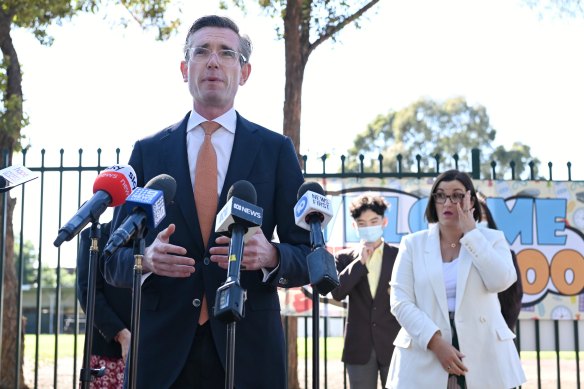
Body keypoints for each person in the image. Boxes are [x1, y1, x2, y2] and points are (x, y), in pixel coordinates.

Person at [103, 15, 310, 389]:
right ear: (185, 69)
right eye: (202, 51)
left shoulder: (275, 151)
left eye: (226, 53)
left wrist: (272, 256)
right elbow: (113, 261)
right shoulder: (148, 152)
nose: (213, 61)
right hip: (162, 354)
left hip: (248, 348)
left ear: (244, 72)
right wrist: (145, 259)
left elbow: (309, 255)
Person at [387, 169, 525, 389]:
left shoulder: (492, 239)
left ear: (471, 200)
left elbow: (501, 281)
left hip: (484, 355)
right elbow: (400, 301)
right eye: (440, 195)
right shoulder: (412, 244)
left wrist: (472, 234)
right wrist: (435, 342)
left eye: (457, 195)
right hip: (426, 352)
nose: (448, 202)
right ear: (434, 201)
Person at [331, 193, 400, 389]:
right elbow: (337, 292)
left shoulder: (399, 255)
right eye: (362, 223)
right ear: (355, 226)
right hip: (358, 346)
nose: (368, 227)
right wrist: (359, 261)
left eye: (373, 221)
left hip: (393, 344)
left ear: (384, 221)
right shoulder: (344, 258)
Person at [77, 222, 132, 389]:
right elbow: (89, 294)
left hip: (156, 349)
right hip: (109, 352)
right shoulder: (94, 237)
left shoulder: (156, 237)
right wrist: (122, 335)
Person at [477, 192, 524, 332]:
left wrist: (503, 329)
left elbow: (513, 297)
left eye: (483, 216)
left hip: (495, 329)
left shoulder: (506, 254)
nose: (479, 221)